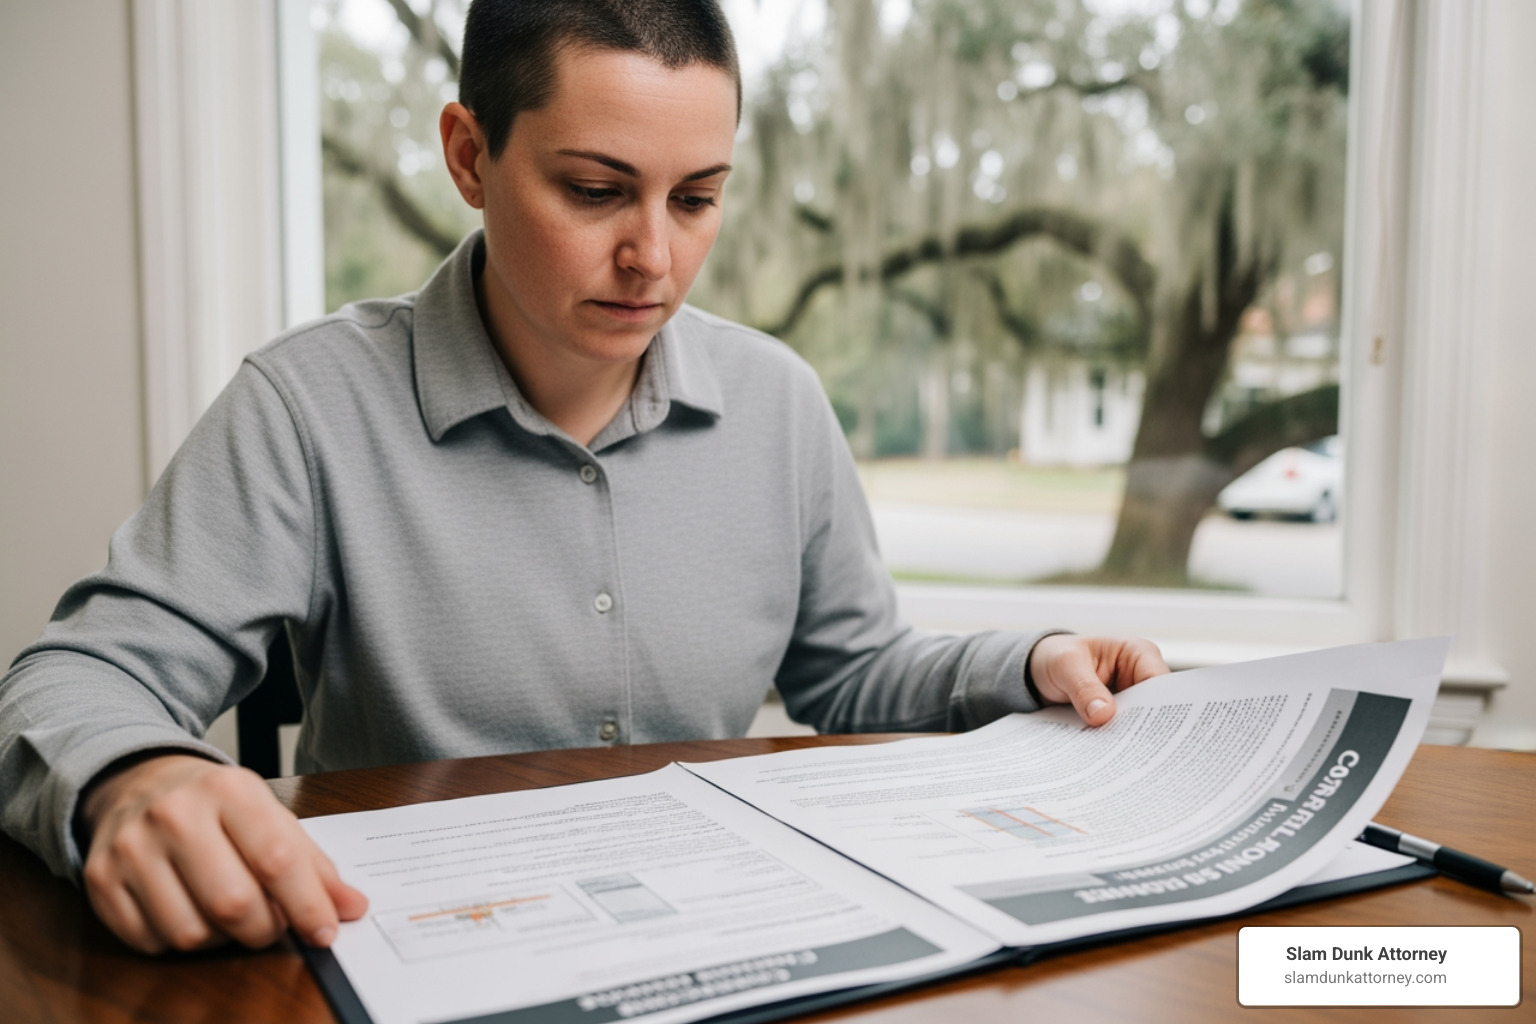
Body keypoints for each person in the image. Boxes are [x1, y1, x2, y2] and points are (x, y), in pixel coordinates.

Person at [0, 0, 1168, 957]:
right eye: (597, 190)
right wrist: (133, 775)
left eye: (696, 197)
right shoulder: (308, 404)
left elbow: (853, 668)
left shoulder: (778, 401)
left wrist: (1027, 661)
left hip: (720, 936)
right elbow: (76, 678)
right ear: (471, 155)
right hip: (420, 945)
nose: (653, 256)